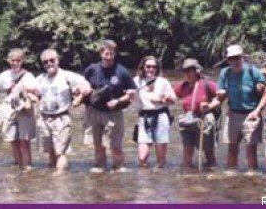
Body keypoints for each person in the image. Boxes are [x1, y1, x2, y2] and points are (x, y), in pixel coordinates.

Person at [208, 44, 266, 175]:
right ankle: (232, 173)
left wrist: (258, 109)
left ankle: (252, 173)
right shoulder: (225, 73)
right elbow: (220, 97)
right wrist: (208, 107)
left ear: (243, 57)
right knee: (231, 147)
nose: (235, 61)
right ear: (228, 60)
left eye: (237, 58)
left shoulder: (253, 71)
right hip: (233, 113)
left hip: (251, 114)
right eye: (231, 59)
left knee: (251, 148)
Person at [83, 39, 137, 173]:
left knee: (115, 146)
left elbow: (132, 93)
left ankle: (118, 169)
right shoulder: (92, 69)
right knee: (98, 145)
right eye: (106, 54)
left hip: (114, 113)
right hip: (94, 112)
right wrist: (83, 92)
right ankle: (100, 168)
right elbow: (82, 84)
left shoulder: (121, 71)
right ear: (101, 54)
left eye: (111, 54)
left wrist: (118, 101)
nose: (109, 57)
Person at [35, 48, 92, 175]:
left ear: (57, 60)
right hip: (44, 118)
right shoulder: (41, 78)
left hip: (61, 118)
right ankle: (54, 174)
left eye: (52, 60)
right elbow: (30, 89)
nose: (49, 63)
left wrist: (79, 97)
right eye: (45, 62)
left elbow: (86, 85)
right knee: (50, 151)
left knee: (60, 151)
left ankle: (60, 176)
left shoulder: (67, 76)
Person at [0, 48, 37, 171]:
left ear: (22, 61)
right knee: (12, 140)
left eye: (18, 60)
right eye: (13, 60)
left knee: (24, 140)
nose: (15, 63)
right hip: (10, 109)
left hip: (24, 110)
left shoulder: (28, 76)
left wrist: (25, 89)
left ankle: (26, 167)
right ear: (9, 61)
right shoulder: (5, 75)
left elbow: (37, 91)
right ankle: (17, 164)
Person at [174, 58, 219, 170]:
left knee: (208, 150)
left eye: (190, 70)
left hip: (204, 118)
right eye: (185, 71)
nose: (187, 73)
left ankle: (212, 172)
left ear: (197, 71)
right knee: (187, 150)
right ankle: (188, 176)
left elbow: (221, 96)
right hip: (188, 119)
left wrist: (209, 106)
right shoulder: (183, 86)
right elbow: (171, 94)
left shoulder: (207, 84)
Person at [133, 56, 176, 169]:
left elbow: (173, 101)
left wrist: (163, 100)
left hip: (161, 116)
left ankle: (159, 181)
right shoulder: (136, 81)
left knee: (160, 159)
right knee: (142, 158)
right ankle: (145, 182)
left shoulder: (163, 82)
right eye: (148, 66)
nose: (151, 69)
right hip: (144, 117)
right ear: (142, 67)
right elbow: (129, 95)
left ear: (157, 69)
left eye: (154, 67)